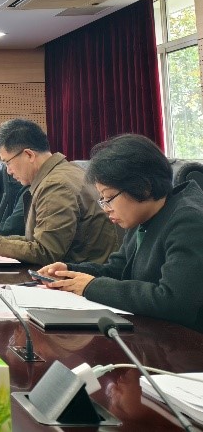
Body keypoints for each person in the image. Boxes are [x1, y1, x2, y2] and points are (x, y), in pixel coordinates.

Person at [37, 134, 203, 332]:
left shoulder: (189, 221)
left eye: (109, 198)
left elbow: (174, 301)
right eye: (102, 199)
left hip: (187, 342)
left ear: (143, 187)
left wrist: (91, 287)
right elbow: (118, 270)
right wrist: (69, 272)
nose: (106, 208)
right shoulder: (146, 214)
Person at [0, 119, 118, 266]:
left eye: (7, 163)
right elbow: (39, 240)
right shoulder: (67, 171)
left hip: (79, 276)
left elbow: (46, 252)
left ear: (29, 155)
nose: (9, 171)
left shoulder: (56, 185)